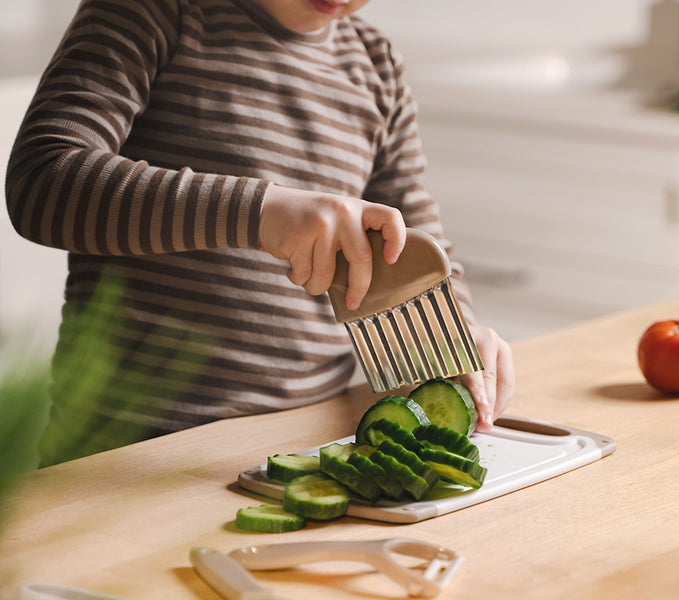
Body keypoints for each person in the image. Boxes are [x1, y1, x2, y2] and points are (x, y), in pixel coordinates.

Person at [5, 0, 514, 465]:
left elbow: (417, 240)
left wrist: (454, 338)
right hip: (128, 450)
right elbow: (42, 181)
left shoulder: (376, 64)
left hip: (309, 443)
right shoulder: (154, 11)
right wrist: (260, 212)